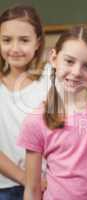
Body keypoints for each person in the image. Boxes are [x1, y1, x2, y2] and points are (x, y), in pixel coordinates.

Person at [18, 25, 87, 200]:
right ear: (53, 58)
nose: (77, 72)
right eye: (69, 61)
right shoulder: (36, 120)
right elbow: (32, 189)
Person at [0, 5, 49, 199]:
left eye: (24, 40)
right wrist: (26, 178)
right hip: (5, 186)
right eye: (6, 40)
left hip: (47, 184)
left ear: (37, 42)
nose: (15, 48)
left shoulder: (49, 80)